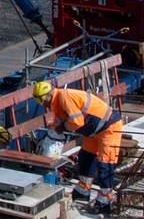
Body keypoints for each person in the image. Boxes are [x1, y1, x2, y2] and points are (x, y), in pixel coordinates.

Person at [34, 81, 124, 211]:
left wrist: (62, 127)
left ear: (46, 97)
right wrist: (55, 126)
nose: (44, 105)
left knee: (105, 164)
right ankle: (83, 191)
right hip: (93, 131)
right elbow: (62, 118)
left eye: (43, 101)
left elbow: (77, 122)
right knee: (86, 157)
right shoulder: (57, 101)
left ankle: (105, 200)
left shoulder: (64, 97)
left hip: (108, 127)